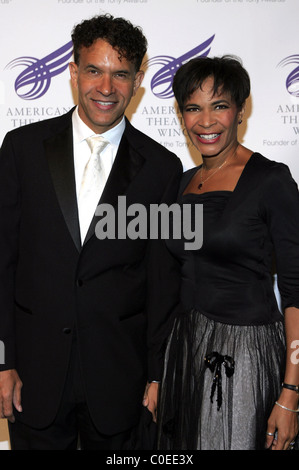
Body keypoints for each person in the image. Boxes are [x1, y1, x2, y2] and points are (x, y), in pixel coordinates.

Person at [0, 14, 182, 450]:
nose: (106, 87)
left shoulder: (162, 168)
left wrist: (159, 373)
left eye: (120, 74)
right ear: (72, 71)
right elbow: (2, 261)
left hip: (121, 380)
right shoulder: (21, 148)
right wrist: (2, 361)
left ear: (138, 80)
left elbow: (163, 282)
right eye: (94, 70)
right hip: (33, 377)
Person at [157, 56, 299, 450]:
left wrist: (290, 393)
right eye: (193, 108)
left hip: (244, 356)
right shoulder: (183, 183)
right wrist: (158, 373)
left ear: (240, 110)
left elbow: (295, 291)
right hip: (184, 349)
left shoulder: (271, 179)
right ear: (182, 115)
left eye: (219, 105)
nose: (206, 121)